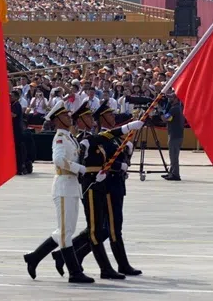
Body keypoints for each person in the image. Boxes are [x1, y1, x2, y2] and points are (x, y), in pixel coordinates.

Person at [51, 102, 144, 277]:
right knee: (96, 230)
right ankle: (103, 268)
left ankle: (66, 256)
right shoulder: (77, 140)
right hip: (89, 185)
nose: (90, 119)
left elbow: (106, 145)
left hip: (103, 184)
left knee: (101, 229)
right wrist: (86, 170)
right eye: (86, 117)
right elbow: (69, 161)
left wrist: (128, 135)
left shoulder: (91, 138)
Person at [23, 101, 94, 284]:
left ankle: (34, 257)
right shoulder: (60, 138)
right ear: (57, 120)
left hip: (71, 187)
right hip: (63, 186)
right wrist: (80, 168)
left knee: (66, 230)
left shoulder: (70, 137)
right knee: (65, 232)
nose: (69, 117)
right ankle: (74, 272)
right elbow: (59, 160)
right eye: (64, 116)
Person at [162, 93, 183, 181]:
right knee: (172, 155)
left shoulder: (175, 109)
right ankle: (172, 172)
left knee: (174, 155)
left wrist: (160, 112)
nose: (170, 99)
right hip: (175, 134)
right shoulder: (176, 108)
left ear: (176, 99)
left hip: (175, 135)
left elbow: (165, 118)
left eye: (172, 98)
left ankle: (175, 174)